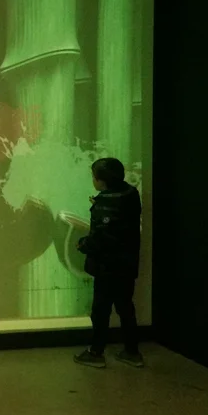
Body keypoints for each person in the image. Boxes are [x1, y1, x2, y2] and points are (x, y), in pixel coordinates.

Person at [75, 157, 143, 369]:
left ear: (101, 181)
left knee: (100, 311)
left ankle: (95, 353)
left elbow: (101, 238)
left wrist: (82, 244)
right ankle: (132, 352)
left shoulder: (106, 204)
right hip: (127, 264)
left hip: (107, 267)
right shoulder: (131, 194)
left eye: (94, 177)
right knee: (125, 307)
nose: (93, 180)